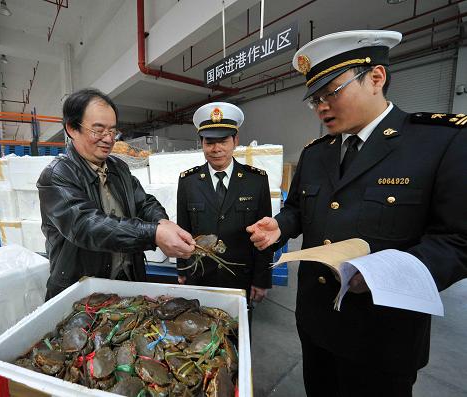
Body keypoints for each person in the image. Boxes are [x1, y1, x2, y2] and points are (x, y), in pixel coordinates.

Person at [246, 30, 467, 396]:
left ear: (376, 78)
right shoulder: (316, 153)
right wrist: (279, 227)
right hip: (316, 323)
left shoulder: (438, 142)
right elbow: (298, 209)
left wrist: (385, 277)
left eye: (330, 92)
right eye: (314, 99)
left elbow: (457, 240)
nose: (321, 107)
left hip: (382, 335)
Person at [38, 88, 195, 300]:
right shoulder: (57, 176)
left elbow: (144, 202)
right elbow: (88, 225)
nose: (108, 139)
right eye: (98, 130)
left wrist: (161, 222)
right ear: (72, 129)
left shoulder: (117, 167)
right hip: (82, 292)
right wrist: (153, 234)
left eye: (112, 131)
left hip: (128, 283)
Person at [176, 102, 273, 304]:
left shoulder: (256, 181)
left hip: (241, 278)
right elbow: (183, 229)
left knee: (238, 333)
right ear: (201, 143)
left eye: (223, 141)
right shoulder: (188, 182)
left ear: (235, 140)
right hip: (200, 276)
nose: (216, 148)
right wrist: (182, 270)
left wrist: (262, 279)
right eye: (209, 142)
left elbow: (264, 236)